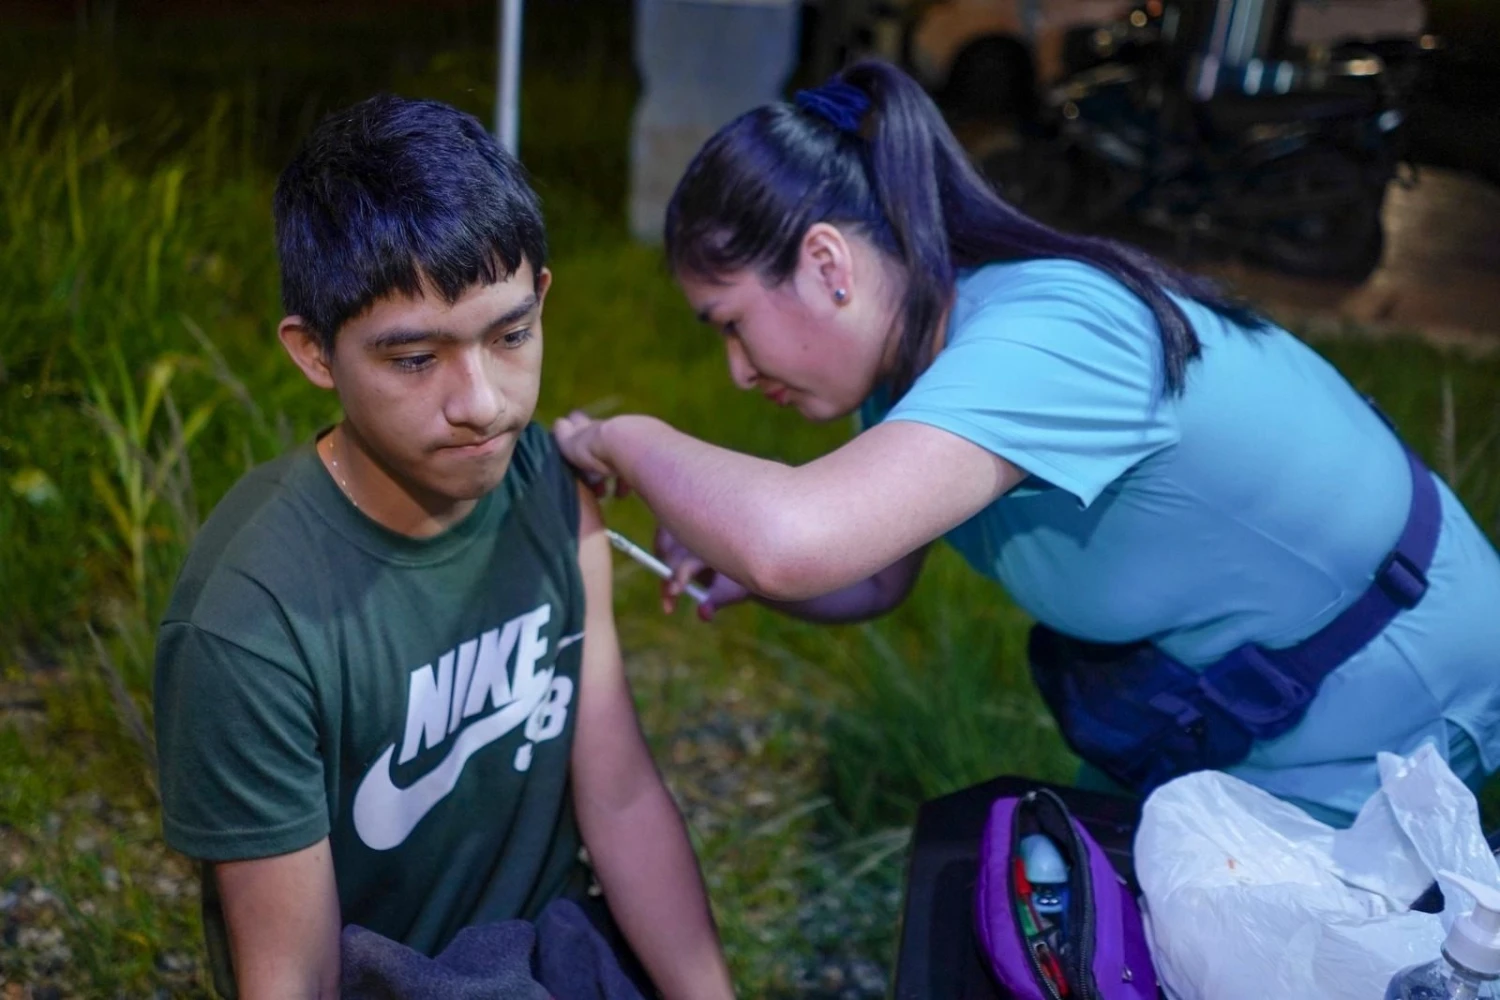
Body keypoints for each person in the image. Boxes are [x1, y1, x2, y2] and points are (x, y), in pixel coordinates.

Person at [554, 60, 1500, 826]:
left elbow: (800, 541)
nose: (734, 368)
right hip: (1274, 703)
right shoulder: (913, 367)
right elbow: (872, 575)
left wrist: (624, 437)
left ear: (827, 264)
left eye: (729, 322)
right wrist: (738, 559)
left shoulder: (1048, 336)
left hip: (1402, 697)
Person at [153, 95, 734, 1000]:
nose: (484, 403)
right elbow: (293, 975)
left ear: (543, 297)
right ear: (314, 354)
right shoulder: (249, 623)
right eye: (415, 359)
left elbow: (619, 798)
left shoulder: (548, 484)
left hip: (554, 948)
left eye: (510, 337)